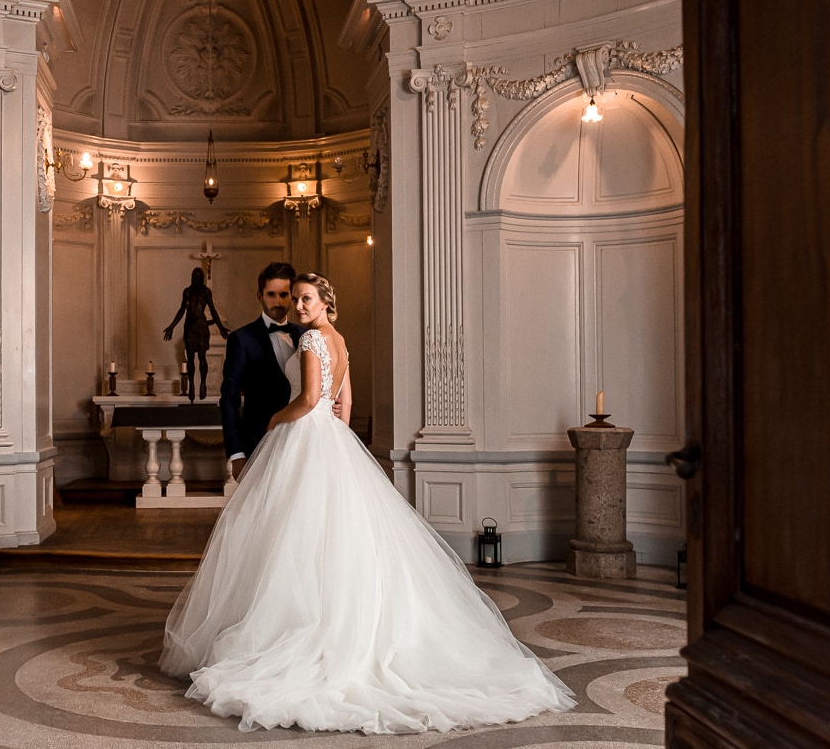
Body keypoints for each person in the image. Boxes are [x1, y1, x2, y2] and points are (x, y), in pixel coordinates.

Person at [160, 272, 575, 734]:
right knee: (330, 537)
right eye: (295, 299)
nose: (298, 306)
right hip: (333, 440)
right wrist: (326, 423)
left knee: (293, 537)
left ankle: (300, 629)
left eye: (306, 299)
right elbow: (345, 405)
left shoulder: (315, 338)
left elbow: (311, 398)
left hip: (303, 437)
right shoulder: (340, 340)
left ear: (324, 302)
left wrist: (278, 418)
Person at [217, 262, 302, 480]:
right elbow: (229, 399)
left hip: (302, 441)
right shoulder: (241, 339)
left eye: (284, 295)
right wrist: (236, 454)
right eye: (271, 294)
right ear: (259, 295)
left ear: (292, 296)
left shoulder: (307, 336)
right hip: (259, 440)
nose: (278, 301)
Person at [163, 267, 229, 401]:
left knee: (202, 356)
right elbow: (182, 310)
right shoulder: (187, 292)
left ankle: (203, 383)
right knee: (191, 358)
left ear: (202, 278)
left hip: (201, 328)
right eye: (194, 276)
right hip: (189, 327)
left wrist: (221, 327)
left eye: (199, 277)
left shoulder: (206, 292)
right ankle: (192, 384)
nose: (196, 279)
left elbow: (213, 311)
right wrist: (171, 326)